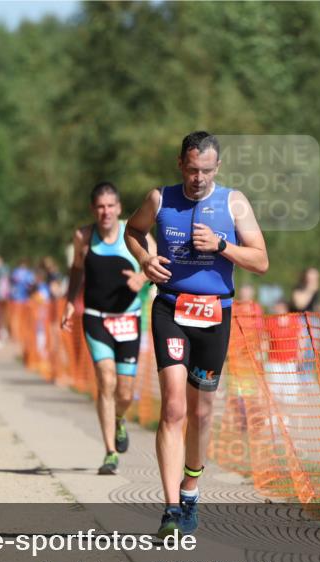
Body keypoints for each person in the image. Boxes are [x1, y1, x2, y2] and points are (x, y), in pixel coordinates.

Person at [125, 131, 269, 537]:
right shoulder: (160, 199)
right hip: (171, 308)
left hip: (214, 315)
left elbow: (261, 261)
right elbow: (132, 232)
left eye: (206, 171)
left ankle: (191, 489)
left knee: (202, 412)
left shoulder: (234, 203)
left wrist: (222, 245)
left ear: (217, 168)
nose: (198, 179)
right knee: (173, 407)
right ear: (180, 165)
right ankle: (171, 510)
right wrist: (145, 258)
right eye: (191, 170)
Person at [62, 181, 153, 475]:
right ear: (93, 209)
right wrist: (68, 301)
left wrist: (144, 278)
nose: (105, 212)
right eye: (100, 206)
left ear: (119, 208)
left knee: (124, 393)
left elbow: (155, 267)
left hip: (129, 317)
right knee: (105, 378)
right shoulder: (84, 237)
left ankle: (119, 420)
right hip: (96, 316)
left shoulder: (136, 235)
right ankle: (109, 452)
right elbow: (77, 268)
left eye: (110, 206)